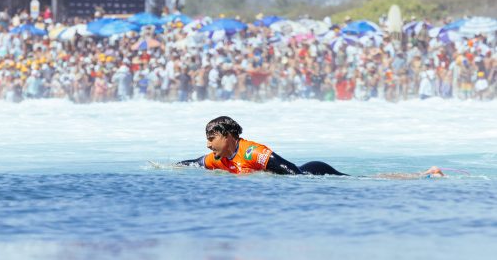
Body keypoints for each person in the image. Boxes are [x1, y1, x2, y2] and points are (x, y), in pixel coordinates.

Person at [177, 116, 444, 178]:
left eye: (212, 138)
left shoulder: (251, 151)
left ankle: (425, 174)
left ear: (228, 136)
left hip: (312, 171)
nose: (208, 143)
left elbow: (292, 173)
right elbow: (194, 163)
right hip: (301, 173)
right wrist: (169, 166)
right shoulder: (218, 158)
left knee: (365, 179)